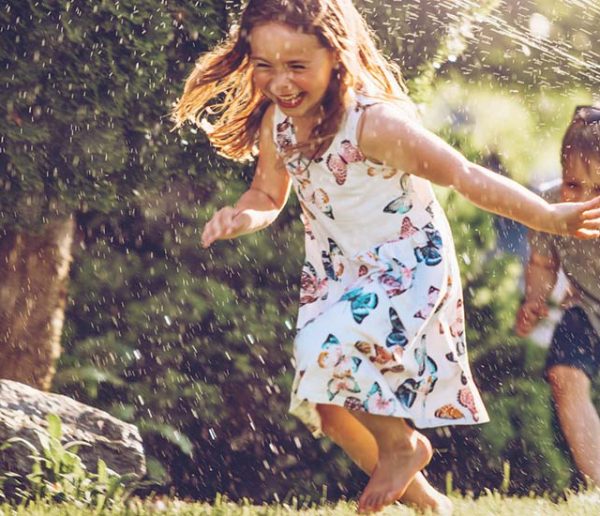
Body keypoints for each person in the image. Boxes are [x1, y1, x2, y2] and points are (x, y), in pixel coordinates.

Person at [173, 1, 600, 512]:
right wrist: (241, 216)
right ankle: (428, 503)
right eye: (264, 66)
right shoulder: (278, 125)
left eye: (297, 66)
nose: (280, 82)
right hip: (340, 275)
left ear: (335, 56)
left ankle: (402, 445)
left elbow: (463, 175)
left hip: (408, 266)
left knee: (321, 347)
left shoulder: (373, 124)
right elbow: (267, 194)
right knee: (328, 406)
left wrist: (547, 217)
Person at [516, 105, 600, 489]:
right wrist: (535, 298)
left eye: (598, 189)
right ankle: (597, 484)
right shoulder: (550, 207)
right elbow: (543, 263)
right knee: (564, 375)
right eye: (573, 184)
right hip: (585, 308)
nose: (583, 200)